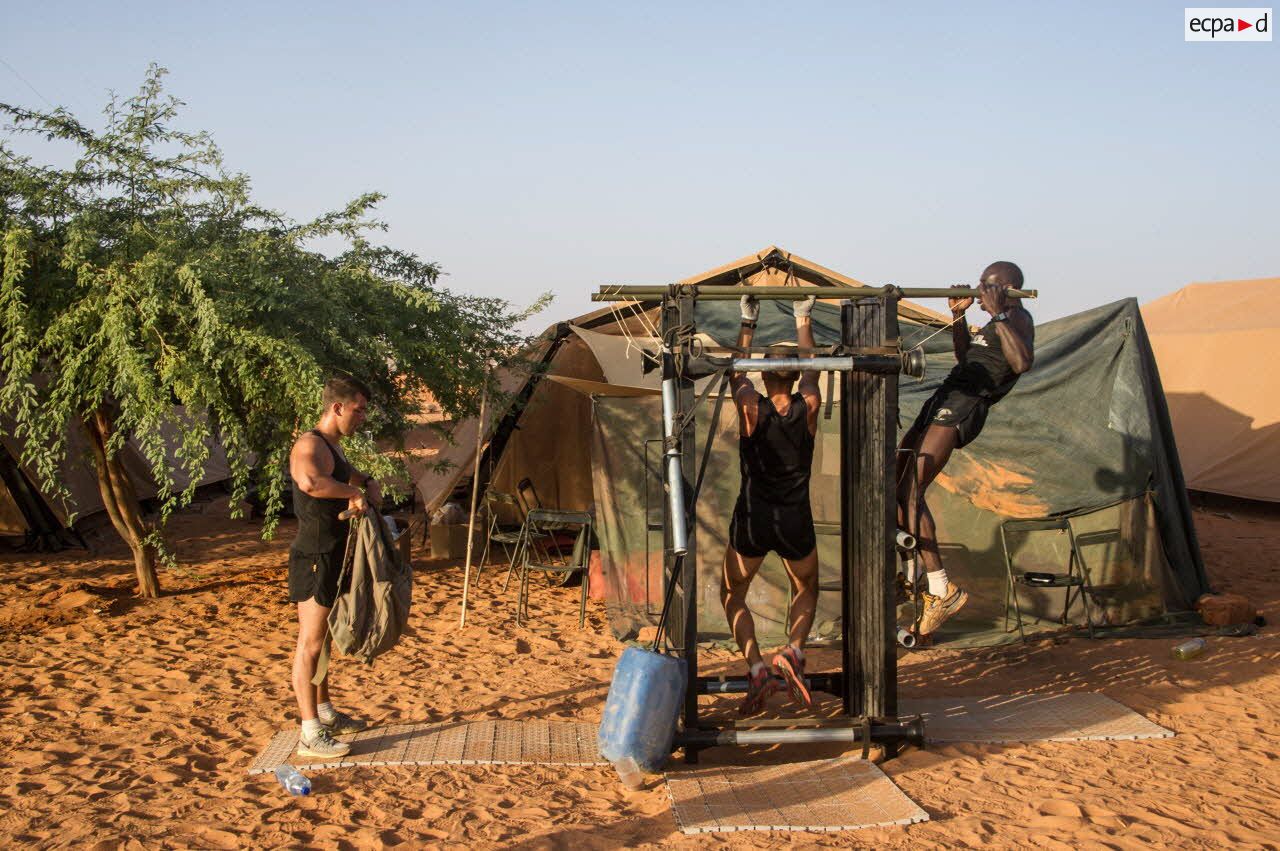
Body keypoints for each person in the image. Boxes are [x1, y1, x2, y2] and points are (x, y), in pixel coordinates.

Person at [898, 261, 1035, 638]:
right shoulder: (993, 325)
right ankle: (914, 575)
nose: (980, 290)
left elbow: (1022, 362)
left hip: (963, 406)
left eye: (986, 285)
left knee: (911, 491)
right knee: (894, 485)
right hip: (948, 393)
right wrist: (957, 317)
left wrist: (1000, 313)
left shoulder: (1018, 319)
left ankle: (941, 589)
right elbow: (966, 358)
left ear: (1006, 288)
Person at [721, 292, 822, 715]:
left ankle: (758, 668)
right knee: (807, 587)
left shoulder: (749, 406)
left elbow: (734, 371)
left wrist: (749, 321)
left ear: (763, 377)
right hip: (795, 516)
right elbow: (813, 366)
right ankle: (794, 652)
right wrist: (803, 316)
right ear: (796, 378)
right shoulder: (810, 404)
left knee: (733, 594)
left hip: (754, 518)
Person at [287, 376, 382, 758]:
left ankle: (325, 711)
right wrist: (353, 493)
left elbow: (345, 474)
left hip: (334, 554)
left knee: (323, 639)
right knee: (309, 643)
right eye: (357, 410)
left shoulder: (332, 447)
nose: (361, 418)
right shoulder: (309, 445)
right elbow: (311, 481)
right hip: (314, 556)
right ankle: (310, 733)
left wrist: (367, 481)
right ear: (337, 408)